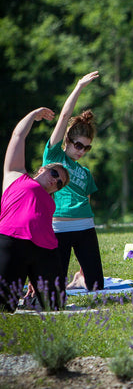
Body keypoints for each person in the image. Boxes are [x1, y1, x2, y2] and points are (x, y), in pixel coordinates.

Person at [0, 108, 70, 311]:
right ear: (42, 169)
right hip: (11, 241)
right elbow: (18, 136)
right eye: (55, 173)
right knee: (4, 308)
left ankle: (32, 297)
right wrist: (32, 115)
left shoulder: (50, 201)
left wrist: (33, 272)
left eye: (59, 183)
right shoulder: (15, 175)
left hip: (45, 250)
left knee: (55, 305)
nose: (55, 180)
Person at [42, 71, 105, 292]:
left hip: (85, 226)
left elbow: (86, 200)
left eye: (86, 148)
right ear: (67, 140)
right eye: (78, 145)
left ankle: (81, 276)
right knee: (53, 291)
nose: (81, 151)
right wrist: (79, 87)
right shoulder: (54, 157)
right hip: (58, 227)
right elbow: (64, 115)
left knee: (96, 286)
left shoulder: (85, 173)